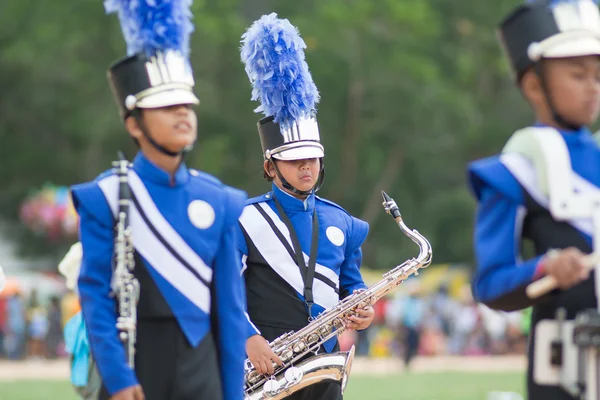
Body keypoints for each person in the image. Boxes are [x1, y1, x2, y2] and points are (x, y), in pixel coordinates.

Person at [70, 1, 248, 399]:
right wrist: (117, 378)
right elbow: (96, 297)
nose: (183, 115)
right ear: (134, 123)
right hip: (136, 368)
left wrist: (233, 393)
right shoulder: (105, 197)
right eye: (168, 107)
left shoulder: (221, 200)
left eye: (187, 105)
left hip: (201, 370)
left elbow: (230, 312)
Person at [238, 13, 375, 400]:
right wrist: (249, 338)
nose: (306, 166)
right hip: (265, 368)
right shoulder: (245, 219)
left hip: (324, 369)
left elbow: (352, 284)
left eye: (312, 157)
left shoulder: (340, 220)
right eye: (294, 158)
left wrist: (363, 309)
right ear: (270, 165)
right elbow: (225, 290)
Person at [467, 0, 600, 398]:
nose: (593, 86)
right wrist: (547, 268)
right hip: (564, 370)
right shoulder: (516, 169)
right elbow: (490, 284)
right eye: (578, 75)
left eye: (598, 74)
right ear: (534, 85)